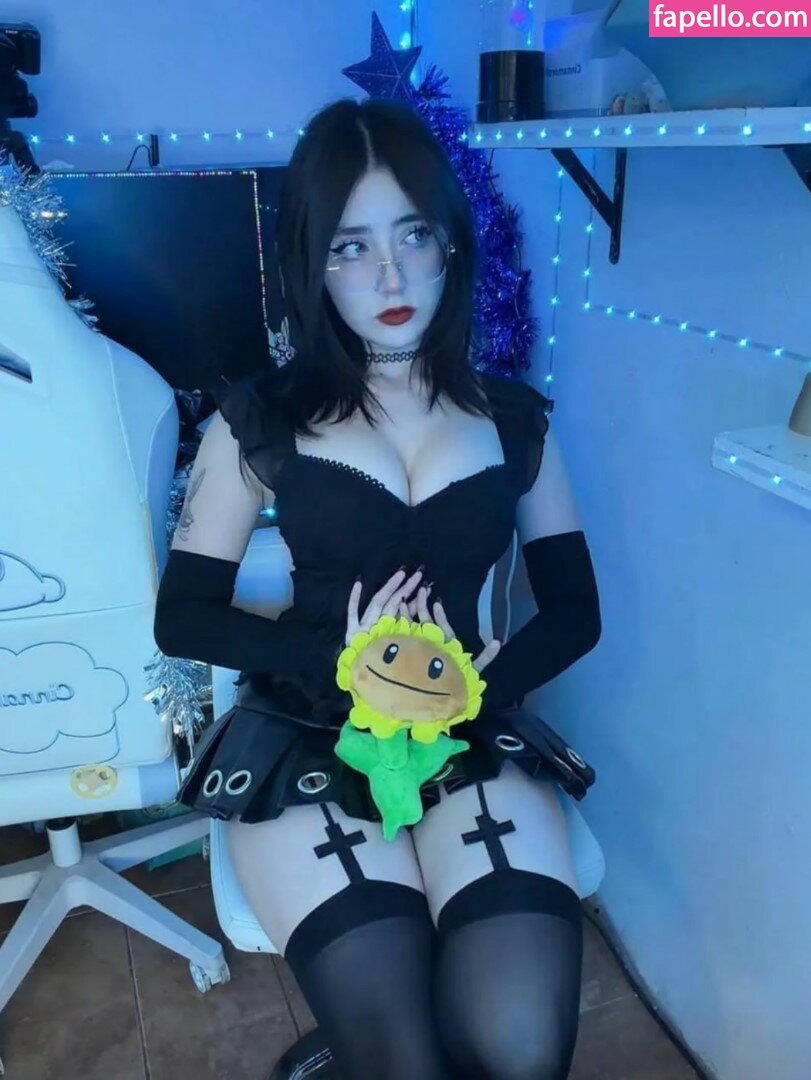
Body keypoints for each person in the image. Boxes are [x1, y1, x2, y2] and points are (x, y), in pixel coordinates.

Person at [154, 97, 602, 1080]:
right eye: (351, 247)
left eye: (412, 235)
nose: (390, 277)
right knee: (401, 1059)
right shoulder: (257, 421)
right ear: (312, 264)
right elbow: (180, 616)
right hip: (306, 729)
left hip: (467, 725)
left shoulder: (514, 420)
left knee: (522, 1045)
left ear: (450, 243)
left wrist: (480, 685)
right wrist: (330, 657)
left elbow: (576, 610)